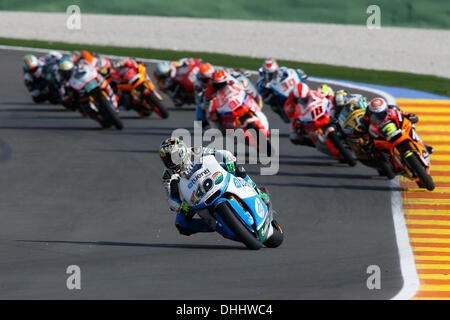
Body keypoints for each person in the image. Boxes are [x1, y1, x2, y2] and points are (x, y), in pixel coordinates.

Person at [159, 137, 270, 236]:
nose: (170, 162)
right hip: (193, 196)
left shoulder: (194, 151)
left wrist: (229, 160)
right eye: (166, 159)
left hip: (212, 177)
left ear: (182, 152)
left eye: (173, 157)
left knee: (238, 169)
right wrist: (176, 204)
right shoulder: (167, 175)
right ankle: (215, 225)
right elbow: (171, 196)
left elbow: (221, 153)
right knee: (181, 224)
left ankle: (258, 192)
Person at [360, 97, 434, 154]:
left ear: (386, 109)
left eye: (382, 113)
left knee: (411, 126)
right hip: (382, 133)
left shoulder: (392, 108)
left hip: (396, 128)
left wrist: (412, 116)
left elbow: (404, 114)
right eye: (376, 115)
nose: (380, 116)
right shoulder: (367, 116)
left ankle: (423, 145)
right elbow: (363, 126)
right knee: (372, 147)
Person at [282, 82, 315, 146]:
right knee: (294, 138)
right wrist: (297, 123)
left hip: (313, 110)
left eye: (304, 99)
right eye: (298, 100)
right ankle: (316, 145)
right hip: (302, 117)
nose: (301, 101)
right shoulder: (289, 106)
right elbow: (292, 118)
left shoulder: (312, 93)